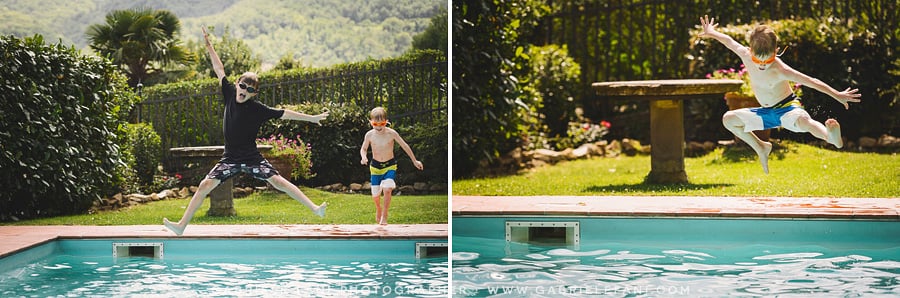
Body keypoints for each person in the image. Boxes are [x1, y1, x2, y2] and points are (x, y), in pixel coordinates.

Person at [164, 27, 328, 235]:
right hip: (230, 158)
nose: (244, 91)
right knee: (205, 185)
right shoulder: (229, 93)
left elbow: (284, 113)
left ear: (254, 93)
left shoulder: (258, 109)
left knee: (278, 181)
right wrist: (209, 45)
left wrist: (312, 119)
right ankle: (181, 226)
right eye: (243, 86)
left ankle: (315, 209)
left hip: (252, 158)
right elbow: (219, 68)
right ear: (237, 84)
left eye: (250, 90)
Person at [698, 15, 861, 173]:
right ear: (750, 51)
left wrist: (837, 95)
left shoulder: (781, 70)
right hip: (766, 113)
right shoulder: (745, 55)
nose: (762, 65)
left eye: (767, 61)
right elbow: (729, 41)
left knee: (805, 122)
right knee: (728, 120)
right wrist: (711, 32)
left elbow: (812, 81)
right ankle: (761, 147)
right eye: (758, 60)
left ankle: (830, 137)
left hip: (787, 108)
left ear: (776, 51)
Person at [359, 107, 424, 225]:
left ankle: (385, 215)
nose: (379, 127)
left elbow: (405, 146)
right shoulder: (369, 135)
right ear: (370, 122)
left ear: (386, 121)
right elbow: (363, 149)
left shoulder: (391, 133)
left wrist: (415, 161)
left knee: (388, 189)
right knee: (375, 195)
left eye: (382, 124)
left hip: (389, 165)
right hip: (375, 167)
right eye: (375, 124)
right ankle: (378, 208)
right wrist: (364, 157)